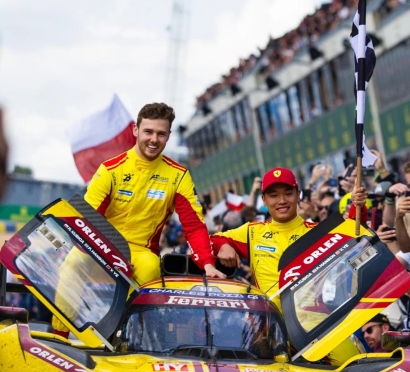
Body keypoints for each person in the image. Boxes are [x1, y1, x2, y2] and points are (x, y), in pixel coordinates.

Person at [84, 102, 219, 284]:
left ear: (168, 136)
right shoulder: (109, 170)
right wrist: (108, 255)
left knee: (150, 267)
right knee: (71, 264)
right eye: (148, 132)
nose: (154, 139)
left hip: (142, 254)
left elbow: (194, 226)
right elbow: (86, 221)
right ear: (135, 130)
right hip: (99, 247)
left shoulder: (178, 175)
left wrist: (208, 264)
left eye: (161, 134)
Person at [212, 168, 316, 301]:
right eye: (274, 196)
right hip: (272, 320)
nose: (282, 200)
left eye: (288, 193)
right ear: (264, 200)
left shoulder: (318, 232)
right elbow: (210, 241)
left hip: (316, 320)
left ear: (298, 195)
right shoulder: (252, 232)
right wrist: (224, 245)